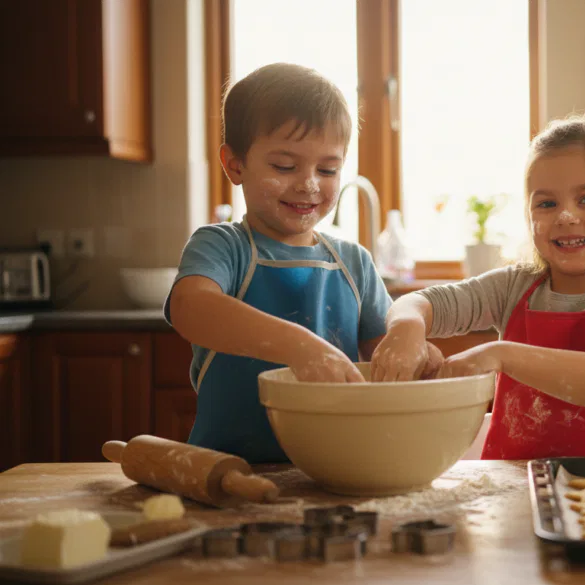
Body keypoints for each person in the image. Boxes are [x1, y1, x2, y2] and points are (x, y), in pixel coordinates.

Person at [164, 63, 441, 463]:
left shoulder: (353, 263)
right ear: (235, 165)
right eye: (285, 166)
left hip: (334, 469)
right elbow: (190, 308)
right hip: (227, 472)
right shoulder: (223, 246)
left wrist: (418, 355)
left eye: (327, 169)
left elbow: (387, 357)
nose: (309, 184)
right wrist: (301, 347)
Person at [370, 115, 585, 460]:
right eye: (546, 203)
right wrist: (406, 327)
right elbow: (419, 302)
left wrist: (501, 354)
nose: (565, 216)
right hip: (511, 486)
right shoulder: (514, 286)